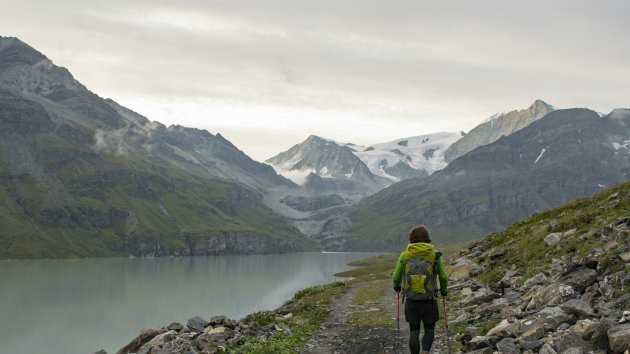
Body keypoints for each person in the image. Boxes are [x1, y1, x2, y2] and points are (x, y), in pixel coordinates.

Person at [392, 225, 448, 354]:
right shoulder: (435, 255)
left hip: (412, 301)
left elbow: (396, 276)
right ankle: (425, 351)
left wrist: (397, 287)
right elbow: (444, 276)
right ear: (427, 238)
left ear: (411, 238)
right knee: (429, 330)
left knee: (414, 332)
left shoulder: (405, 255)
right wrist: (444, 291)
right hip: (429, 300)